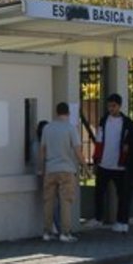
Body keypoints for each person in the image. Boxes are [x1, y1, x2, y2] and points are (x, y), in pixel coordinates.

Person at [39, 101, 85, 243]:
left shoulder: (47, 128)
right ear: (68, 113)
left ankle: (47, 232)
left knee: (48, 201)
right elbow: (77, 151)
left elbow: (42, 150)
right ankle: (65, 233)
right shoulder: (71, 129)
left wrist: (41, 168)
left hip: (50, 169)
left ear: (56, 112)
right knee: (66, 201)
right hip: (66, 169)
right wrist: (86, 168)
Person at [88, 93, 133, 233]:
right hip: (104, 164)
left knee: (123, 194)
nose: (111, 109)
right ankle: (98, 218)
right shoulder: (104, 120)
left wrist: (127, 158)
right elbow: (99, 140)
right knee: (99, 192)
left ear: (119, 106)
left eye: (113, 106)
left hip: (120, 165)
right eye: (109, 106)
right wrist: (96, 160)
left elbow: (130, 141)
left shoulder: (127, 122)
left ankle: (122, 221)